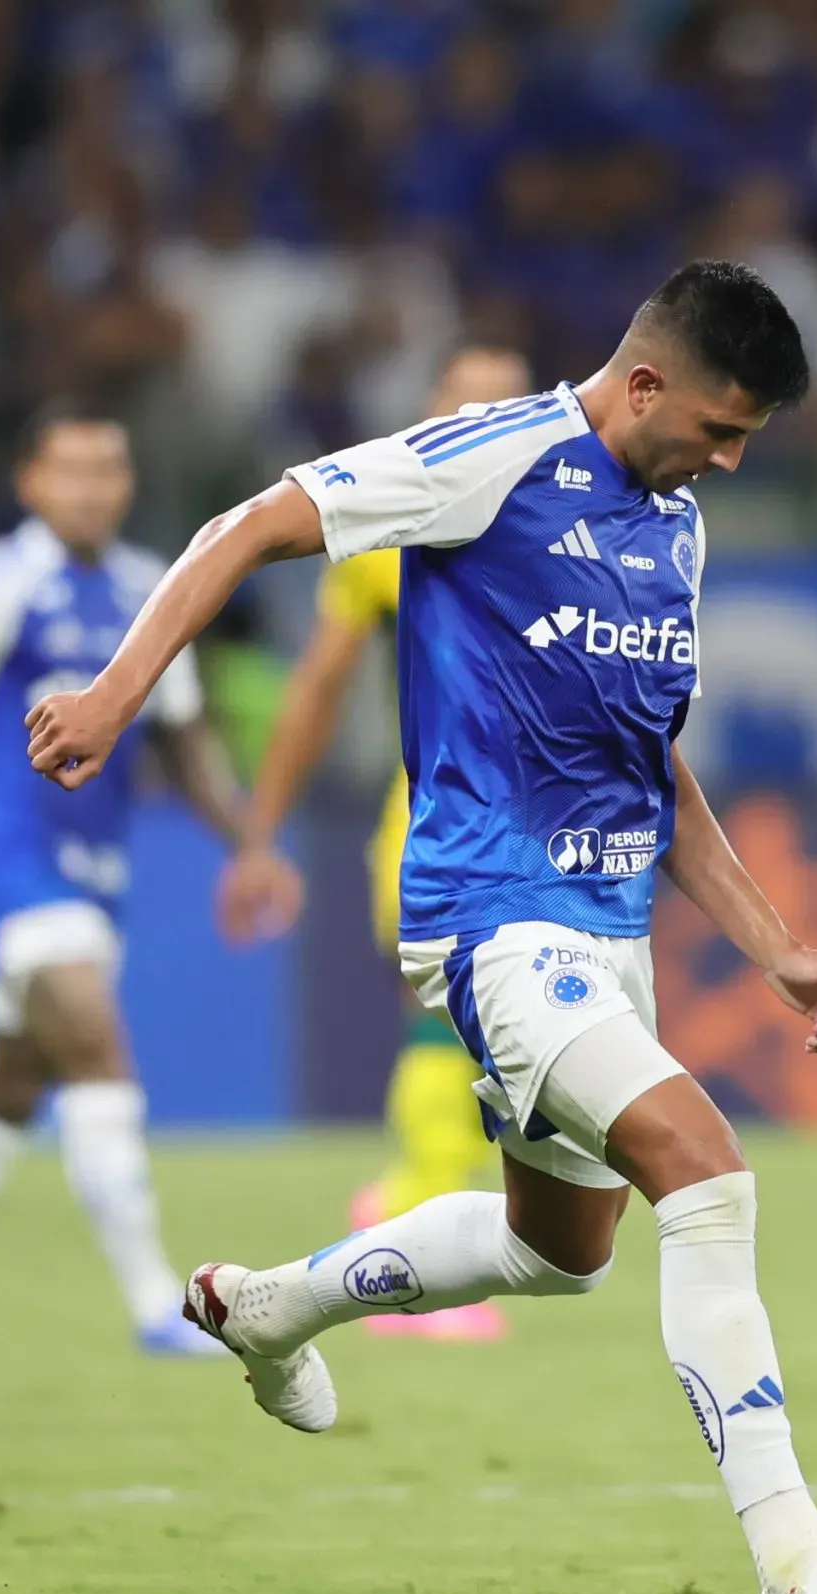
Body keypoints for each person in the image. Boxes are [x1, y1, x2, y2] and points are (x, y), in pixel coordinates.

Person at [25, 261, 817, 1594]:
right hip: (491, 916)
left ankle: (273, 1306)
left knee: (561, 1250)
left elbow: (651, 769)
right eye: (717, 425)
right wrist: (116, 693)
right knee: (707, 1177)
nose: (730, 455)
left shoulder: (677, 527)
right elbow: (246, 523)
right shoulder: (494, 456)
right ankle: (799, 1559)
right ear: (644, 380)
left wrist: (776, 946)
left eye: (748, 437)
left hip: (604, 928)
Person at [0, 402, 282, 1361]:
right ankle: (159, 1304)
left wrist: (250, 844)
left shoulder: (149, 587)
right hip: (8, 859)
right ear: (30, 482)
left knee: (8, 1090)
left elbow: (188, 741)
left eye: (109, 469)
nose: (92, 488)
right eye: (70, 470)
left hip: (95, 873)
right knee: (98, 1053)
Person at [218, 341, 533, 1344]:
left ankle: (404, 1209)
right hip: (434, 821)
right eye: (464, 406)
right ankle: (422, 1254)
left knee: (516, 1053)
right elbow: (317, 685)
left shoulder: (568, 530)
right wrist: (260, 827)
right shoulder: (393, 529)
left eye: (504, 406)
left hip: (544, 829)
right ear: (432, 418)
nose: (484, 424)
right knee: (450, 1030)